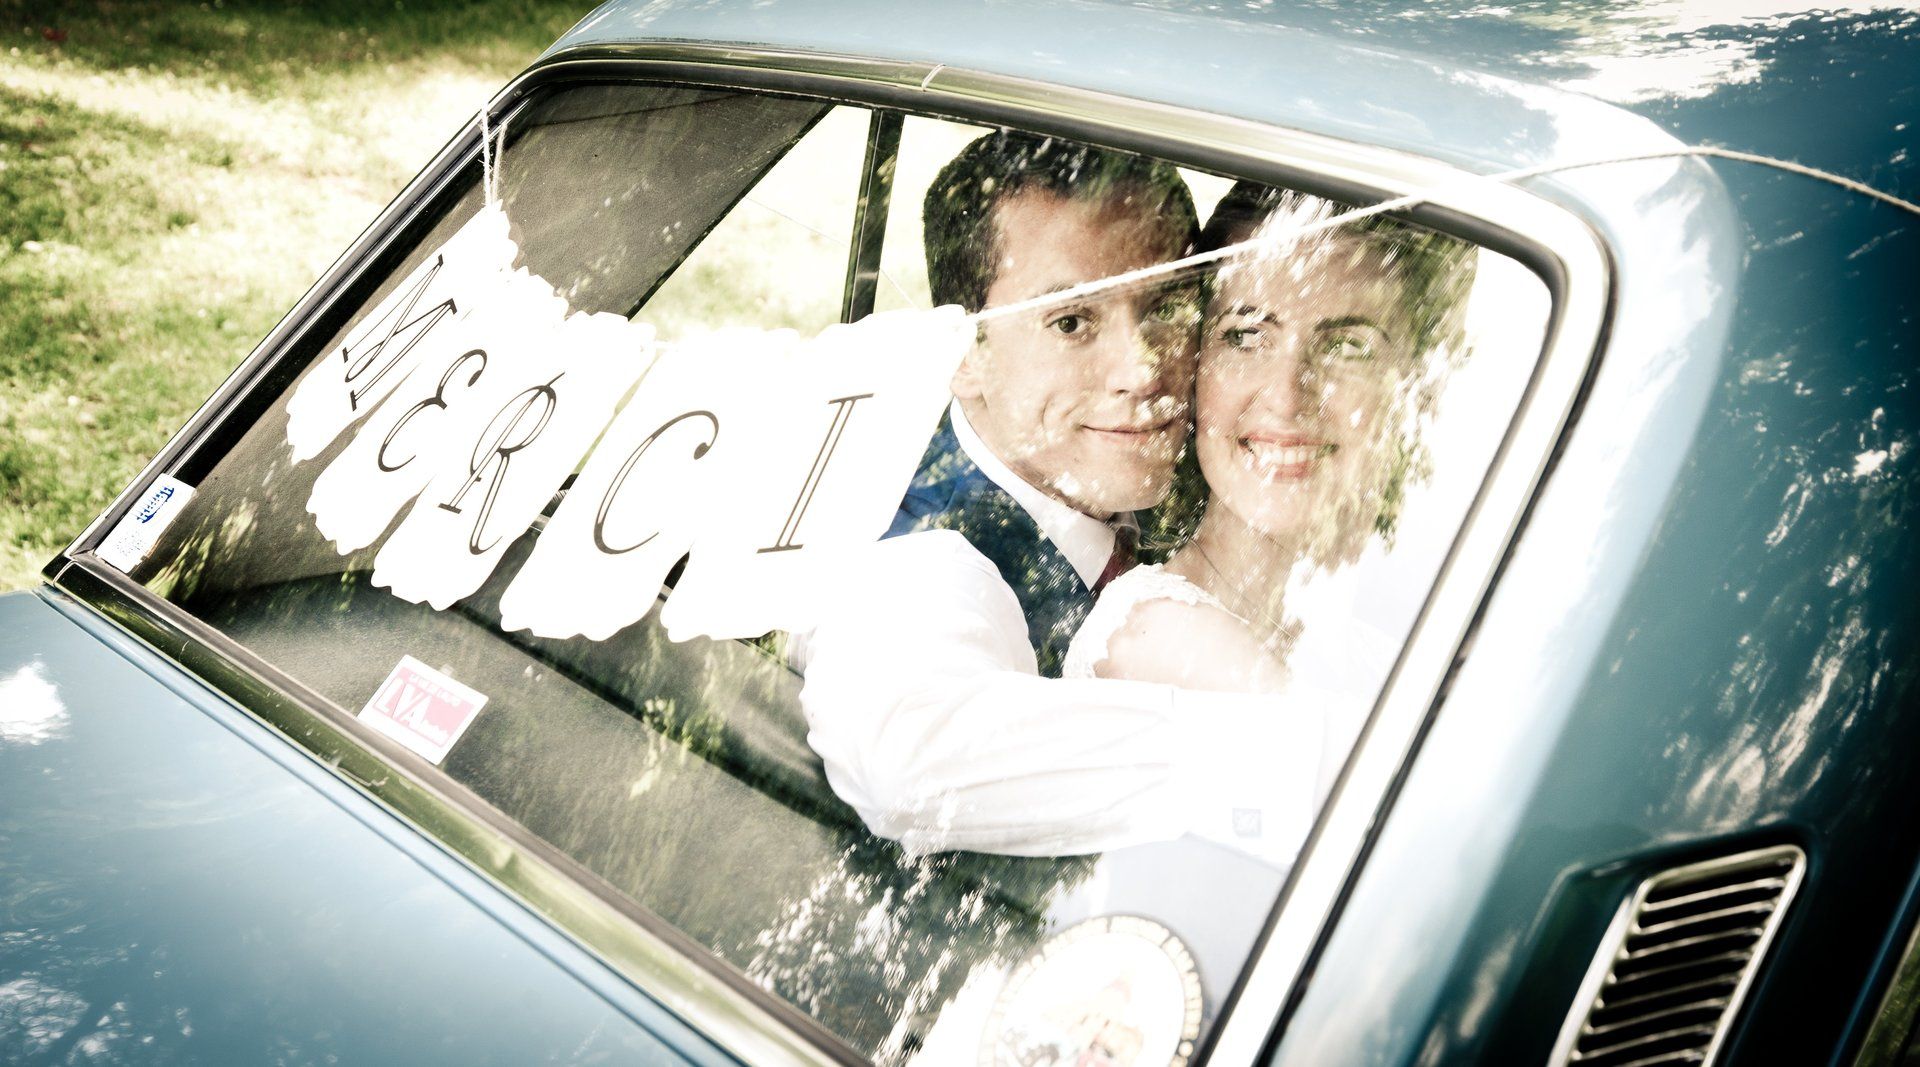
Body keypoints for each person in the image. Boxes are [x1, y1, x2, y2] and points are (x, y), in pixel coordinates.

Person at [795, 134, 1337, 862]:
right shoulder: (925, 552)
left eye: (1167, 308)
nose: (1143, 369)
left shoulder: (1163, 461)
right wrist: (1301, 753)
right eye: (1072, 322)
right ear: (962, 357)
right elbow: (909, 757)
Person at [1062, 182, 1477, 699]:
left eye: (1347, 346)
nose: (1287, 397)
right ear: (1195, 367)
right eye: (1246, 337)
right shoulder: (1151, 637)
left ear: (1418, 383)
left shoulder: (1384, 646)